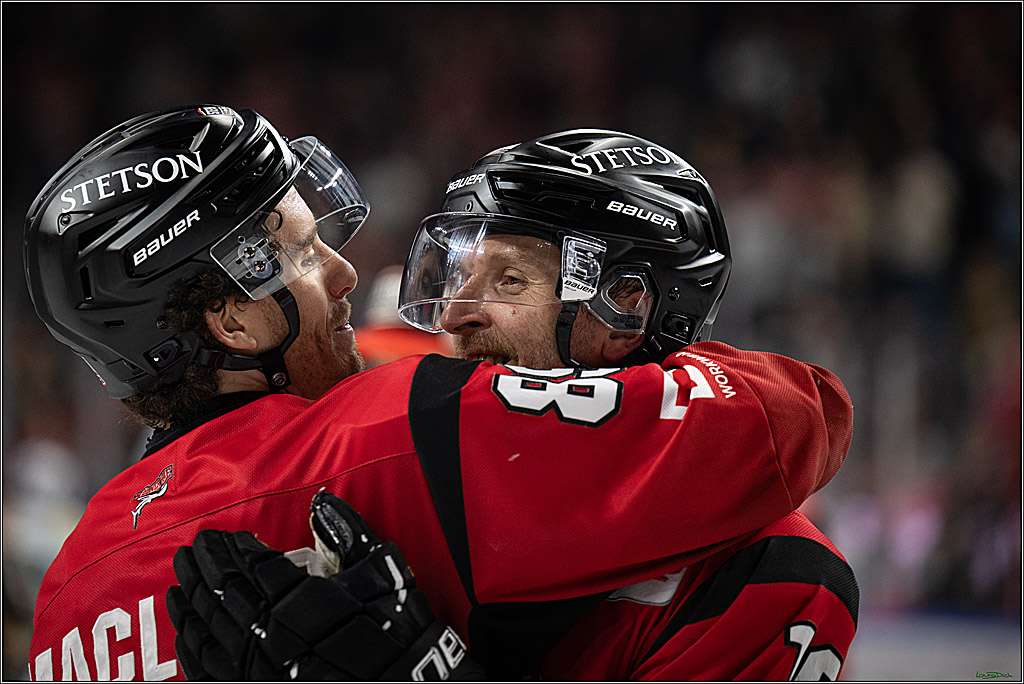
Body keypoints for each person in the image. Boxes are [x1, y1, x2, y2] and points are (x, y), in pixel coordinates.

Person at [24, 107, 851, 681]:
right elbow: (790, 419)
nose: (344, 270)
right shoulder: (401, 430)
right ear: (234, 322)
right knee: (788, 567)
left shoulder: (67, 591)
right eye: (305, 255)